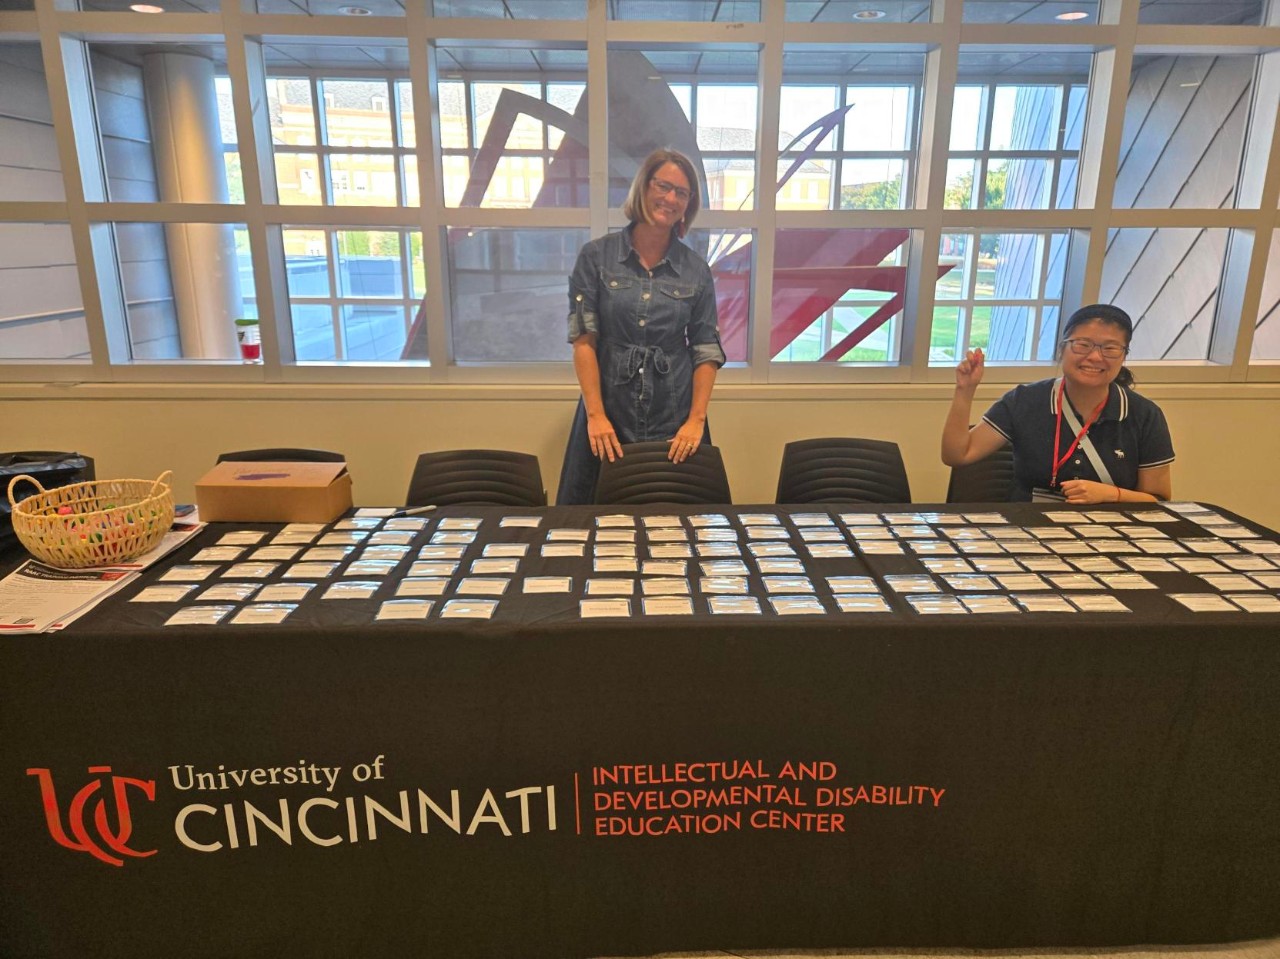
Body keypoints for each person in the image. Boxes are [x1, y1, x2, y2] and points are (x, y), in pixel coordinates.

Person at [555, 148, 725, 505]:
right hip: (608, 410)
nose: (671, 199)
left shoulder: (696, 270)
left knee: (676, 516)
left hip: (674, 414)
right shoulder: (596, 257)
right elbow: (583, 340)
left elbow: (706, 349)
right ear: (643, 187)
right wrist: (595, 415)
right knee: (591, 516)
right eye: (663, 186)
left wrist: (696, 421)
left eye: (682, 193)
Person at [941, 304, 1174, 504]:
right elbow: (958, 455)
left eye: (1110, 348)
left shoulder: (1145, 415)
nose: (1095, 357)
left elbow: (1158, 499)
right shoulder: (1024, 401)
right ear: (1062, 350)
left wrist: (1111, 495)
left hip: (1108, 531)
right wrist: (964, 390)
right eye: (1082, 344)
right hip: (1028, 526)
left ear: (1123, 357)